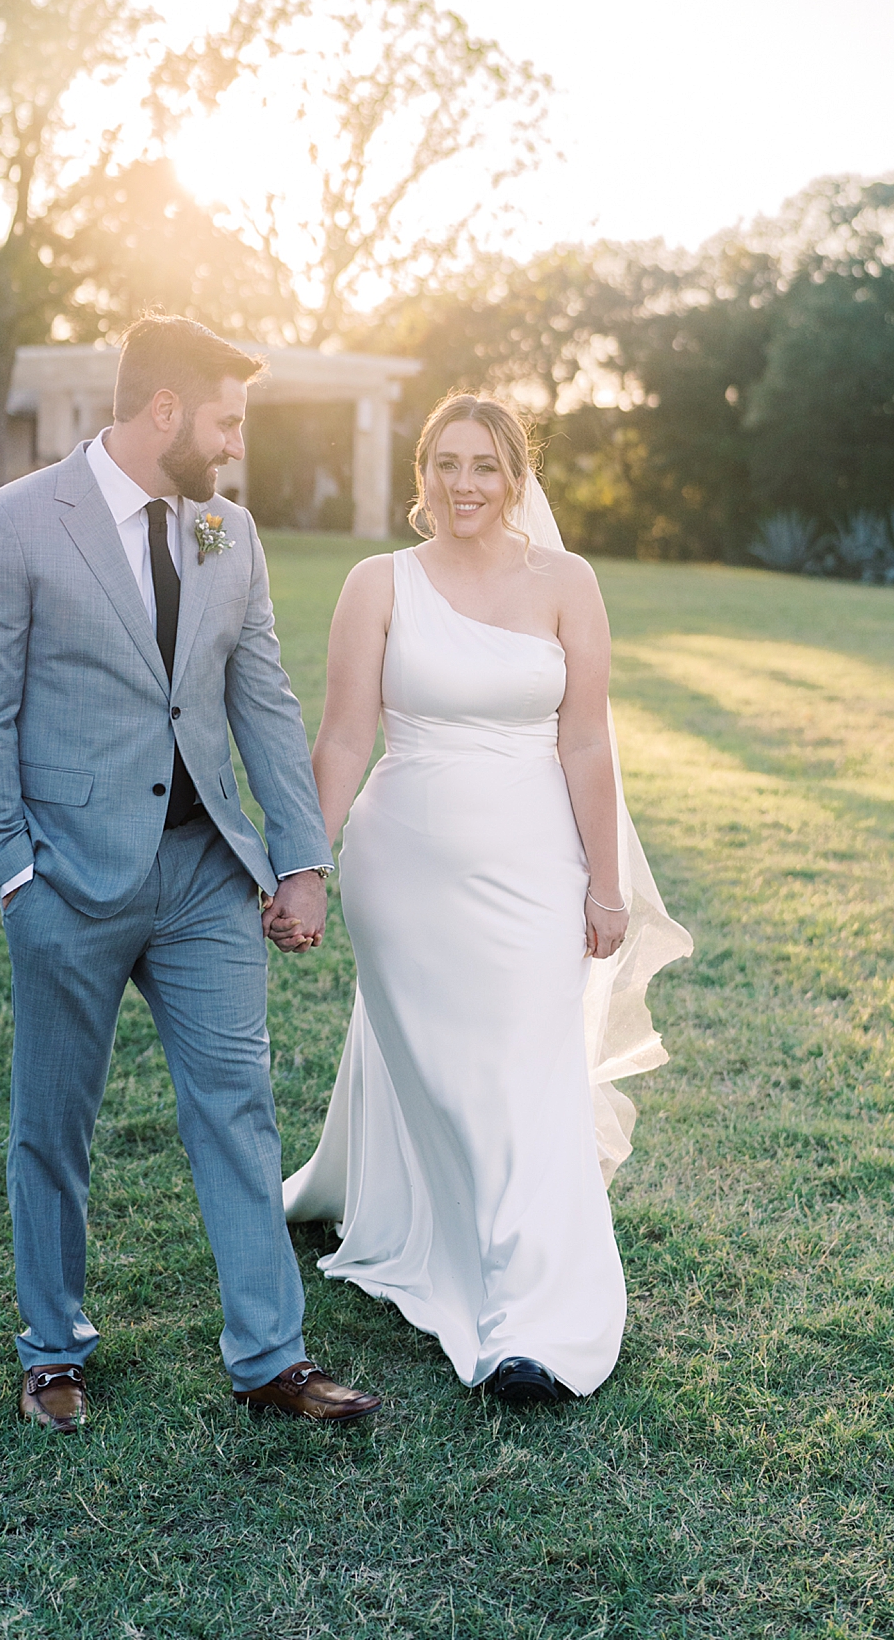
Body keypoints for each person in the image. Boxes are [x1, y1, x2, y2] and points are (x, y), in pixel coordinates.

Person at [0, 315, 380, 1431]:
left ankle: (271, 1359)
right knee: (54, 1122)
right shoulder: (9, 526)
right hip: (67, 883)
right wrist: (11, 877)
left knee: (238, 1108)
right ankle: (51, 1350)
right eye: (226, 421)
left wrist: (301, 860)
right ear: (168, 411)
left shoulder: (230, 531)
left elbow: (265, 705)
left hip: (205, 877)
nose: (235, 445)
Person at [284, 393, 692, 1405]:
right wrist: (304, 862)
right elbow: (341, 737)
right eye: (446, 463)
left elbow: (587, 739)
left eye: (485, 465)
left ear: (515, 475)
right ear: (420, 475)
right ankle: (405, 1209)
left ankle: (534, 1322)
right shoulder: (377, 583)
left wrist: (606, 880)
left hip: (535, 867)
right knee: (438, 1066)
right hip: (402, 870)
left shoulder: (567, 582)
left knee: (523, 1072)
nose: (465, 483)